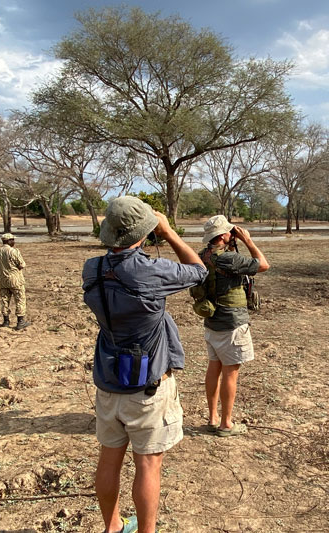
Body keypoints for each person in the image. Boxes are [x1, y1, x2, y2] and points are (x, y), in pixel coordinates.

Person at [82, 196, 206, 533]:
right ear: (143, 231)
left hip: (108, 380)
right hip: (147, 384)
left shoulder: (91, 268)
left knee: (109, 458)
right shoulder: (150, 271)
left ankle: (112, 526)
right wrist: (167, 233)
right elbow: (199, 271)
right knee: (148, 465)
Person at [199, 215, 269, 437]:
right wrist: (248, 241)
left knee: (214, 367)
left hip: (211, 321)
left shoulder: (203, 256)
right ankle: (226, 423)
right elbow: (264, 265)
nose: (233, 234)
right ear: (222, 236)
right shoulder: (228, 259)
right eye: (230, 231)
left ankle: (212, 418)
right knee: (231, 373)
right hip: (231, 323)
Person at [0, 233, 29, 330]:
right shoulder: (14, 251)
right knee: (20, 299)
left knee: (4, 301)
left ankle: (6, 321)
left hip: (3, 280)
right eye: (13, 240)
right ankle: (20, 321)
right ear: (9, 241)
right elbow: (21, 265)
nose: (14, 241)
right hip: (15, 280)